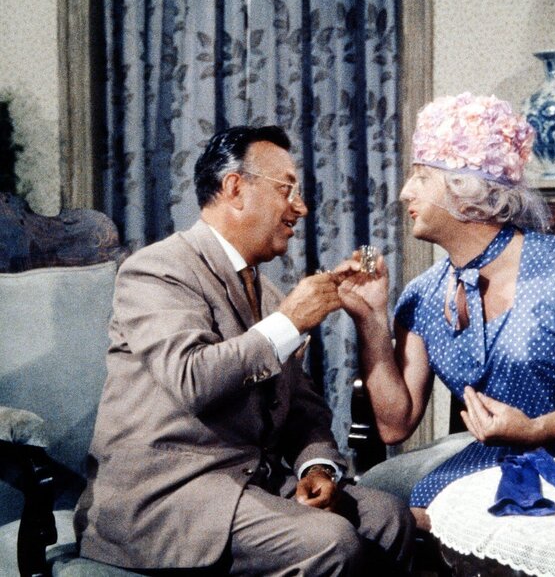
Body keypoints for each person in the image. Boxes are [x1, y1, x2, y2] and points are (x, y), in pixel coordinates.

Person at [74, 125, 414, 575]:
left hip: (249, 485)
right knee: (329, 543)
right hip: (166, 497)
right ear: (234, 188)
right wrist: (289, 323)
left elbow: (302, 411)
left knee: (389, 519)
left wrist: (317, 469)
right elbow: (192, 379)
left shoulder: (269, 296)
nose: (301, 208)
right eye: (287, 190)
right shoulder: (156, 270)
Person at [338, 93, 555, 529]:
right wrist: (371, 318)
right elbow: (395, 424)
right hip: (509, 455)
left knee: (459, 520)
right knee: (423, 513)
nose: (405, 191)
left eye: (422, 177)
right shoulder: (422, 295)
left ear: (467, 192)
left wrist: (536, 430)